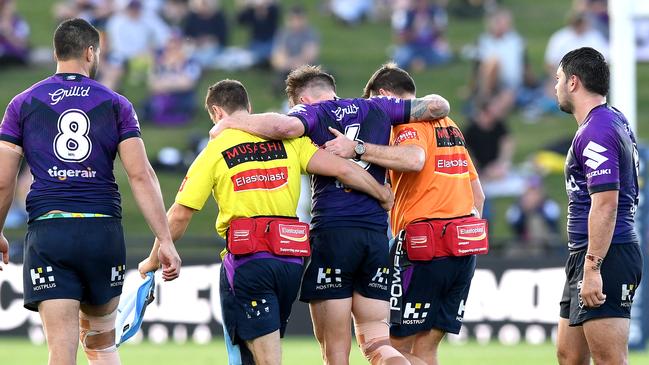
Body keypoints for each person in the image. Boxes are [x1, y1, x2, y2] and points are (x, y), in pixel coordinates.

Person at [138, 79, 395, 365]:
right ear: (249, 108)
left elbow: (181, 213)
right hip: (289, 264)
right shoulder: (292, 144)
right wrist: (381, 192)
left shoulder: (217, 148)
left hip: (249, 259)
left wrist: (152, 259)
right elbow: (344, 169)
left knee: (262, 357)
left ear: (216, 113)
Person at [214, 64, 450, 365]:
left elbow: (283, 128)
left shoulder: (313, 113)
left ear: (302, 101)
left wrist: (233, 122)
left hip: (334, 236)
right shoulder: (377, 106)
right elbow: (437, 105)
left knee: (336, 355)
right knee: (379, 346)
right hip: (376, 239)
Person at [0, 18, 181, 364]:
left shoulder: (22, 103)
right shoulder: (116, 103)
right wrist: (166, 241)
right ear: (90, 52)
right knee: (100, 344)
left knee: (61, 352)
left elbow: (4, 180)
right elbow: (141, 175)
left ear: (56, 52)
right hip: (102, 233)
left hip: (51, 234)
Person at [324, 63, 485, 365]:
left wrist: (356, 148)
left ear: (385, 96)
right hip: (464, 248)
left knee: (393, 348)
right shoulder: (450, 126)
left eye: (376, 104)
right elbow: (479, 195)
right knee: (426, 349)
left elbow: (413, 159)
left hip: (423, 246)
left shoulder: (406, 126)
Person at [555, 47, 643, 365]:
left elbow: (606, 203)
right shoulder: (613, 119)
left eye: (558, 79)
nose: (556, 87)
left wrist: (593, 267)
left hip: (607, 254)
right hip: (587, 252)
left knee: (609, 359)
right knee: (569, 355)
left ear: (574, 82)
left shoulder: (596, 131)